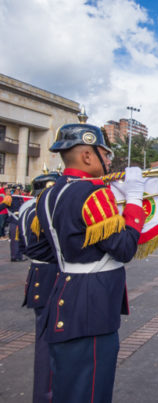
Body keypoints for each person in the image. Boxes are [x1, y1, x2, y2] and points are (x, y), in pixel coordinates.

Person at [35, 118, 147, 403]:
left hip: (63, 297)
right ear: (87, 154)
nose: (109, 160)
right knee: (90, 391)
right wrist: (133, 201)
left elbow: (49, 249)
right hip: (91, 308)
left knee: (68, 388)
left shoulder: (49, 195)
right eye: (105, 153)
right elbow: (124, 249)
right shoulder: (93, 194)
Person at [18, 171, 61, 403]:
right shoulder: (43, 210)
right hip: (50, 273)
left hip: (37, 272)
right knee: (48, 342)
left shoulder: (27, 208)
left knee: (48, 336)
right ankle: (46, 395)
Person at [0, 185, 25, 261]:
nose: (21, 191)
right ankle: (14, 256)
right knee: (14, 240)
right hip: (14, 221)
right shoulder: (10, 198)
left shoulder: (19, 198)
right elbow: (2, 206)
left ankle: (19, 256)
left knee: (20, 239)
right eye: (20, 190)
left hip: (19, 221)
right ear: (17, 190)